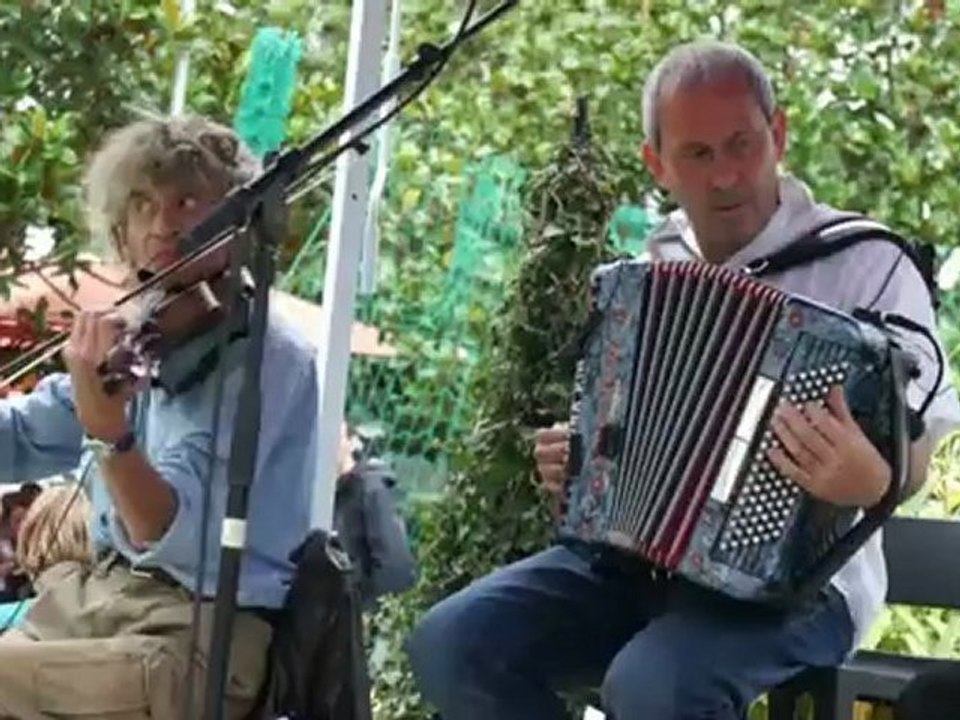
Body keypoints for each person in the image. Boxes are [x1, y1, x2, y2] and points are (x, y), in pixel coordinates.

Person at [406, 40, 960, 719]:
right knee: (451, 644)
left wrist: (870, 481)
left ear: (779, 134)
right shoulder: (651, 268)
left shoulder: (868, 264)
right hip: (636, 566)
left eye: (742, 145)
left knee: (654, 687)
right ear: (657, 165)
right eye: (698, 154)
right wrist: (583, 458)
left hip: (803, 585)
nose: (726, 176)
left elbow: (919, 453)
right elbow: (628, 426)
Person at [0, 115, 320, 719]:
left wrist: (112, 435)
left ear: (238, 222)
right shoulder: (139, 341)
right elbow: (20, 433)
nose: (162, 224)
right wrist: (97, 412)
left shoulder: (268, 358)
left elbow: (162, 528)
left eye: (188, 202)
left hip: (194, 637)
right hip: (95, 604)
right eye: (143, 205)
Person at [333, 422, 417, 611]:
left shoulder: (372, 490)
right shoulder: (317, 493)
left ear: (351, 442)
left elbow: (395, 571)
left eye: (334, 436)